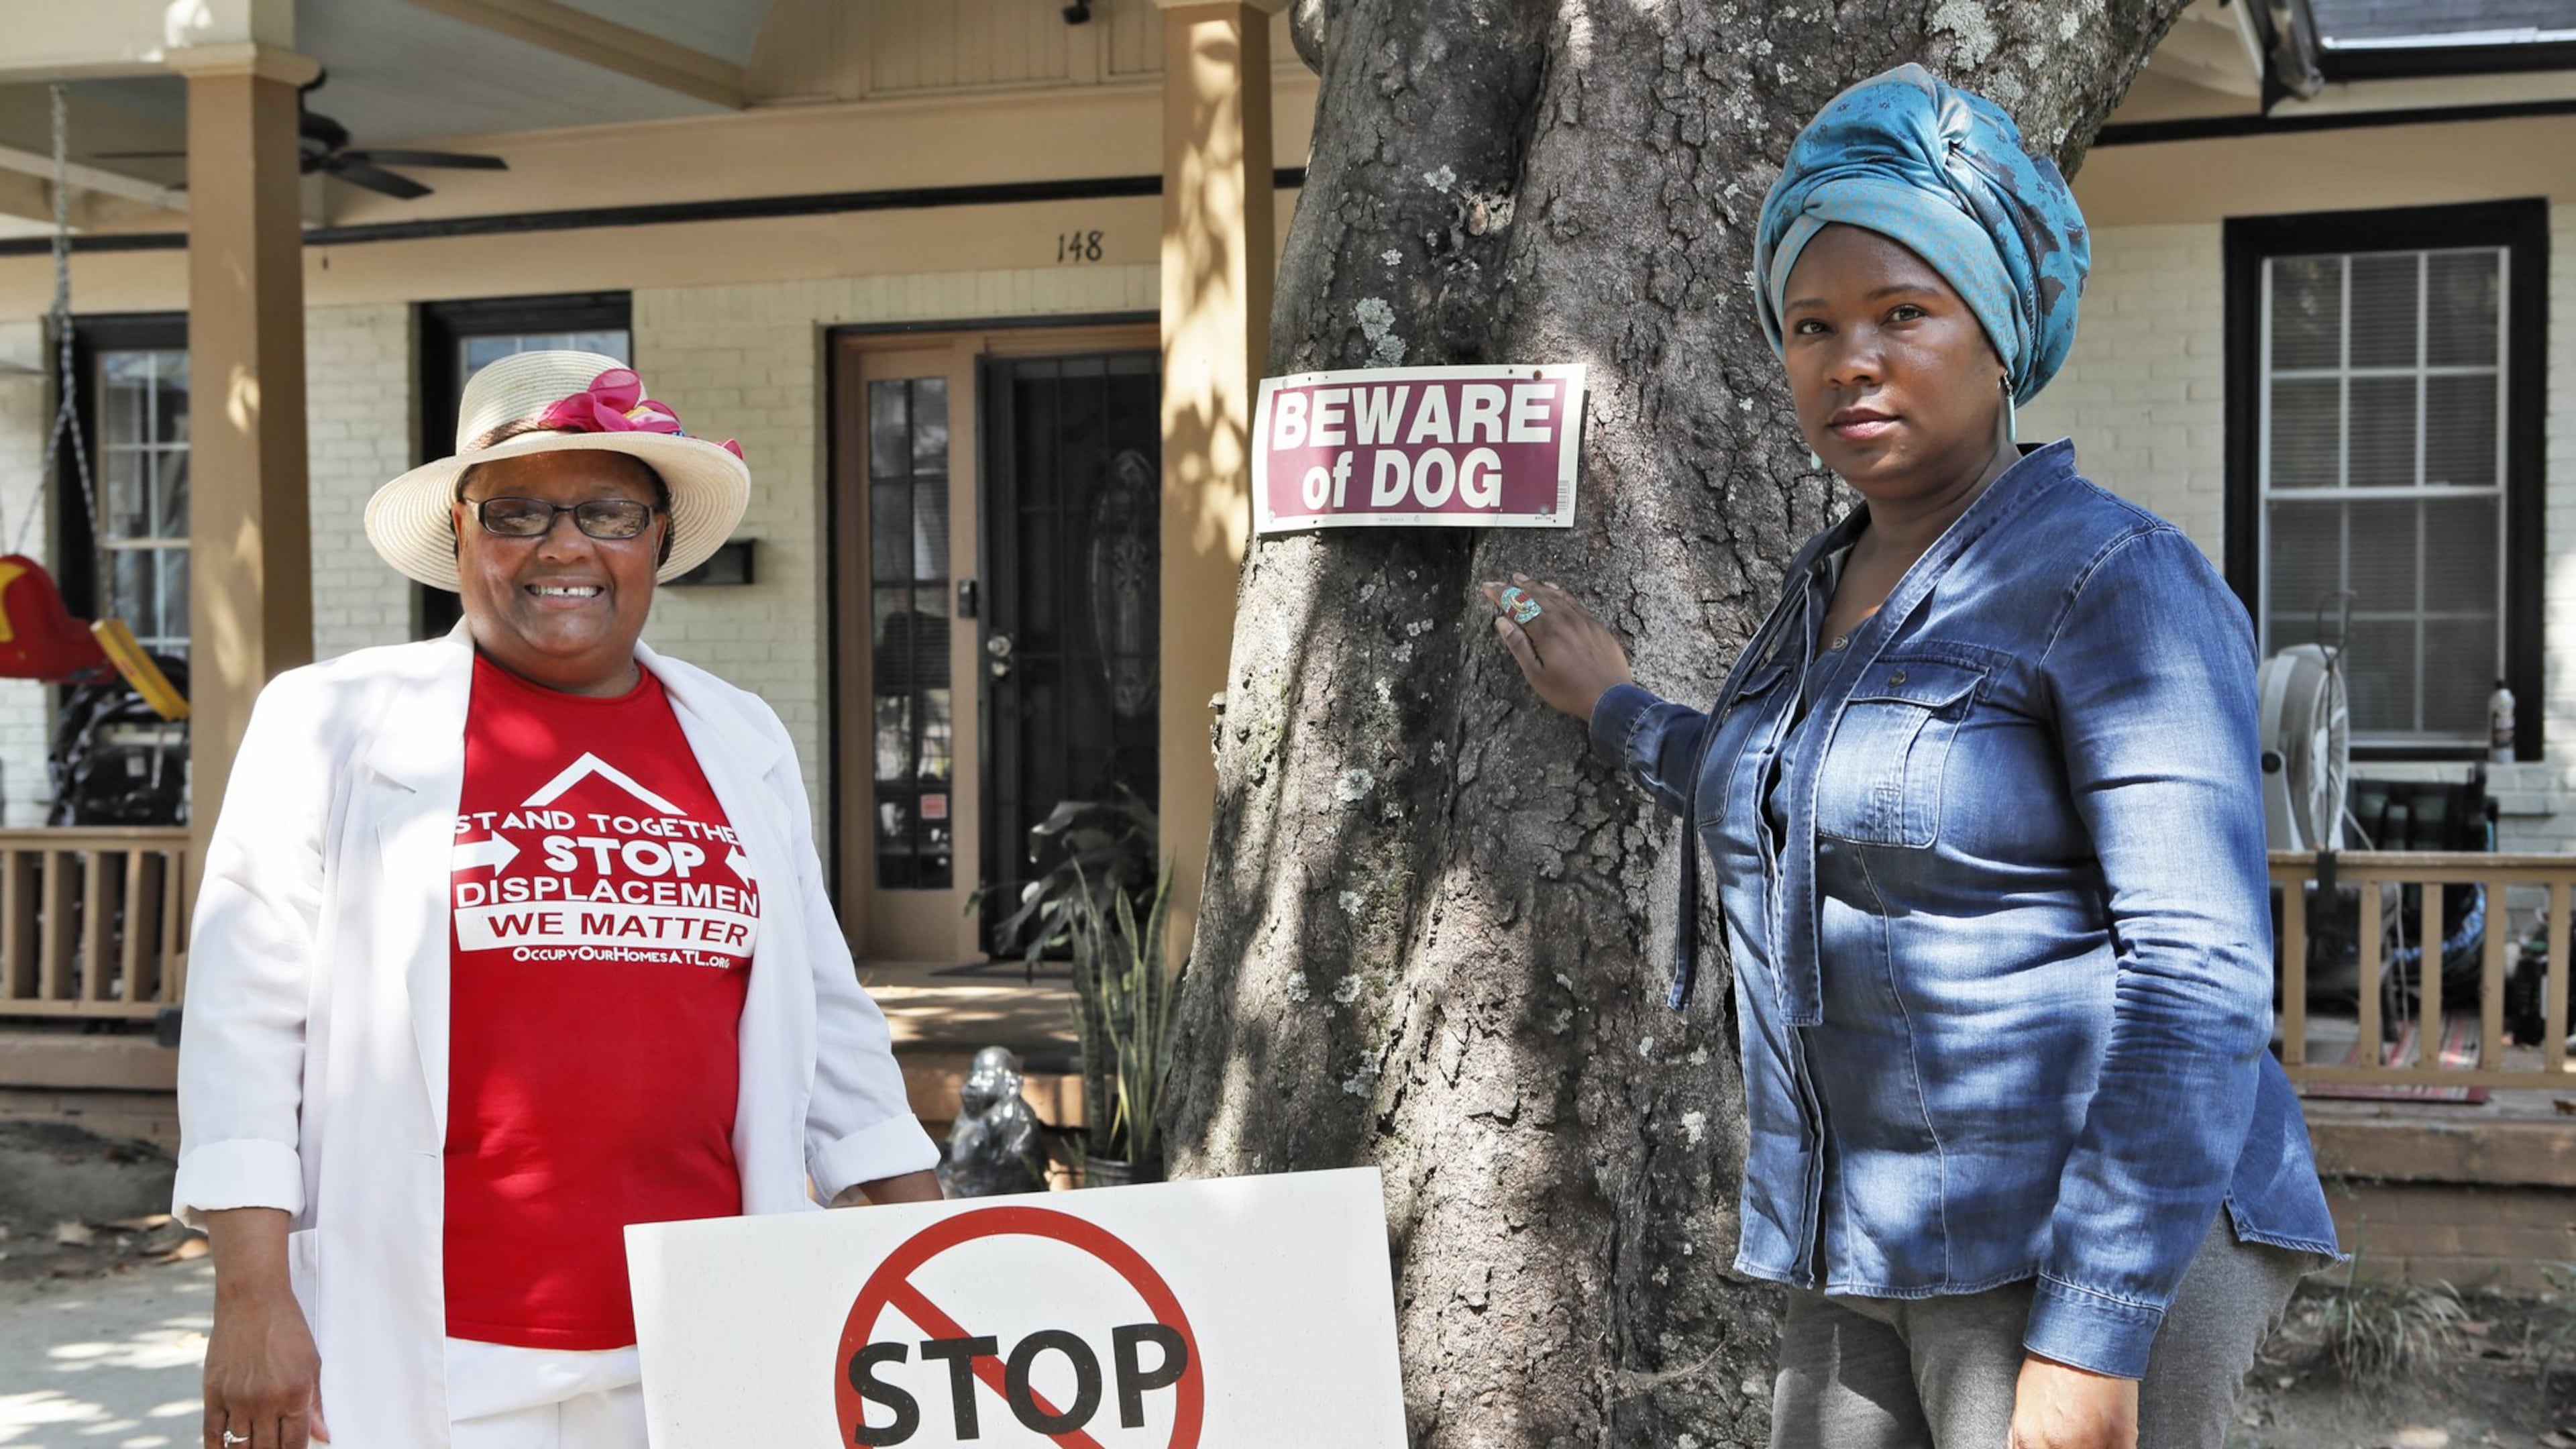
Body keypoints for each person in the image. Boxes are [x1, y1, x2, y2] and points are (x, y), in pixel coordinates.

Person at [1483, 67, 2340, 1449]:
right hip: (1862, 1225)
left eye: (1903, 314)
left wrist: (2094, 1331)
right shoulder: (1823, 593)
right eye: (1811, 326)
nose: (1850, 360)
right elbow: (1781, 790)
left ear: (1997, 335)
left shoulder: (2119, 580)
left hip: (2075, 1234)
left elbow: (2201, 975)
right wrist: (1618, 709)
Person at [174, 351, 943, 1449]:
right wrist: (250, 1300)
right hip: (436, 1345)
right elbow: (243, 1034)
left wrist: (955, 1268)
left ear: (660, 541)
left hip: (706, 1328)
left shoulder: (741, 739)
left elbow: (831, 1028)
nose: (565, 546)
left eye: (609, 512)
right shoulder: (333, 723)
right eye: (518, 511)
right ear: (462, 538)